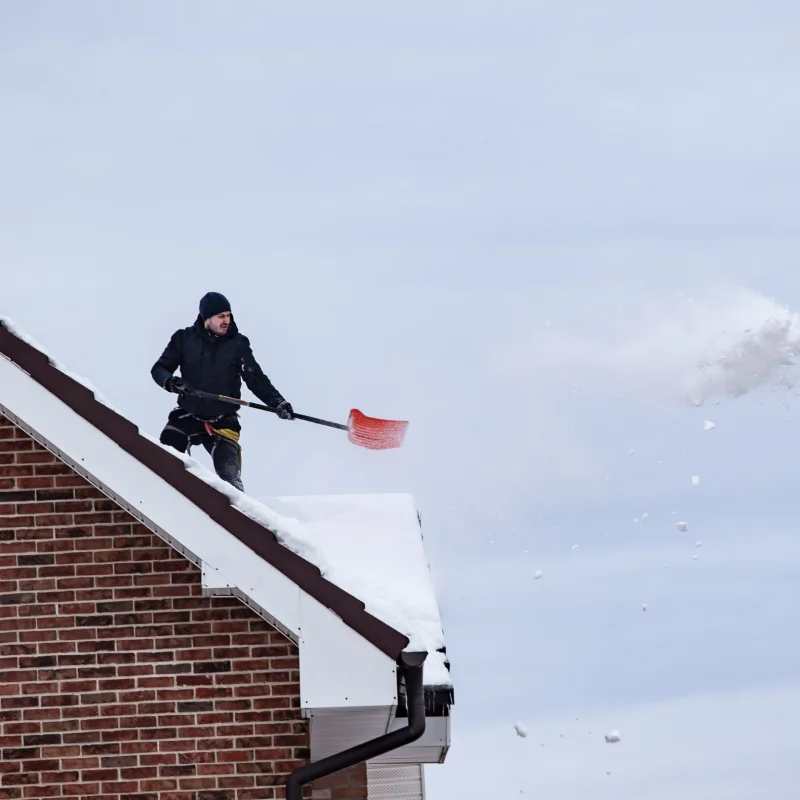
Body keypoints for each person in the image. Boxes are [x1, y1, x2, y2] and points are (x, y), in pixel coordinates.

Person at [151, 292, 293, 492]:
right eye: (221, 316)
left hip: (224, 421)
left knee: (231, 484)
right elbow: (159, 369)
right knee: (164, 458)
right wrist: (171, 382)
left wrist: (278, 403)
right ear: (206, 318)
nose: (226, 321)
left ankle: (238, 508)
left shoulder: (238, 344)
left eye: (228, 315)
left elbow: (256, 379)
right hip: (188, 415)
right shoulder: (183, 339)